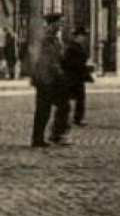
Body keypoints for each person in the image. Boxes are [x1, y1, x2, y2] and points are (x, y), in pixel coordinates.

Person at [31, 14, 71, 147]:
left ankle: (49, 136)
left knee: (58, 106)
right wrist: (61, 74)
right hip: (46, 79)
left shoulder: (54, 38)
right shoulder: (48, 39)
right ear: (51, 24)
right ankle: (42, 138)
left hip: (48, 78)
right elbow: (51, 60)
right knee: (45, 109)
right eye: (59, 23)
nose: (61, 26)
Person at [63, 27, 91, 126]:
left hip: (76, 76)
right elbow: (70, 62)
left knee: (76, 98)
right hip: (73, 77)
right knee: (77, 98)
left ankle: (75, 118)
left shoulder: (76, 46)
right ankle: (76, 118)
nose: (84, 38)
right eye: (82, 36)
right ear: (78, 36)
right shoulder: (73, 47)